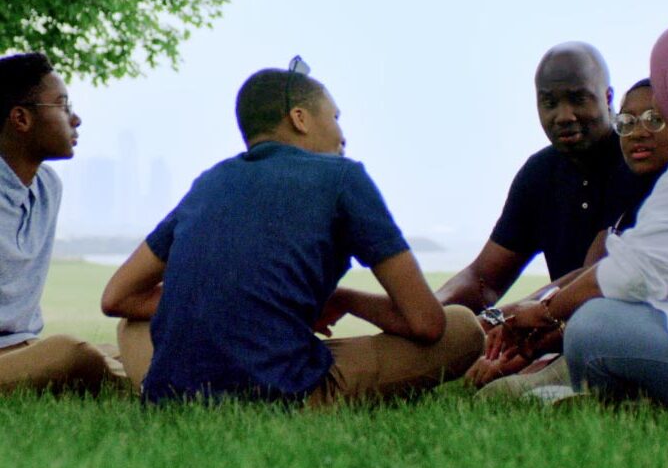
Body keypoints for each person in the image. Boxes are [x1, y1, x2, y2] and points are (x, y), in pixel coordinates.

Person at [101, 62, 484, 404]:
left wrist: (230, 300)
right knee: (462, 328)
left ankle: (162, 381)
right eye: (335, 117)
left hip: (173, 391)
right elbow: (426, 322)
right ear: (300, 118)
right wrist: (345, 299)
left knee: (133, 325)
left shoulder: (210, 181)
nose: (342, 136)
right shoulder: (343, 177)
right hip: (284, 392)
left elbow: (118, 297)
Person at [501, 15, 668, 406]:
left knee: (593, 327)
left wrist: (548, 312)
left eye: (664, 84)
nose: (662, 98)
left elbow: (636, 271)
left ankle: (612, 399)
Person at [471, 78, 668, 393]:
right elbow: (588, 274)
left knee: (595, 320)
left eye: (654, 120)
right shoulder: (630, 185)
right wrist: (520, 332)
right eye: (628, 122)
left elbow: (614, 281)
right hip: (632, 329)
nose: (638, 131)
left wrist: (536, 318)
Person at [437, 43, 648, 315]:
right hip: (555, 331)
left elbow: (592, 278)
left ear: (607, 97)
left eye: (578, 99)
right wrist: (432, 309)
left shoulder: (637, 160)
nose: (564, 116)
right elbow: (485, 280)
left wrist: (502, 320)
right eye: (549, 103)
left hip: (613, 331)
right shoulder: (540, 173)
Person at [0, 53, 125, 393]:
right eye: (63, 106)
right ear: (21, 118)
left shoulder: (47, 186)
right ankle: (151, 391)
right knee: (71, 353)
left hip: (23, 347)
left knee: (122, 349)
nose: (77, 119)